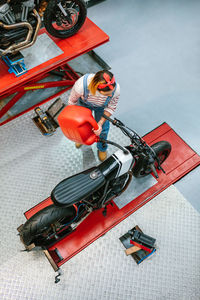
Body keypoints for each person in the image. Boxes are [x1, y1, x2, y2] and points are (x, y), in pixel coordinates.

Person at [68, 70, 120, 161]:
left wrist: (99, 123)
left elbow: (111, 107)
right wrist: (77, 118)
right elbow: (72, 102)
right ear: (97, 89)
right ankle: (81, 139)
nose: (111, 94)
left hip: (102, 108)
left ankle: (102, 147)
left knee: (103, 129)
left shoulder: (116, 90)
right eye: (107, 94)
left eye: (111, 92)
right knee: (82, 125)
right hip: (84, 103)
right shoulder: (81, 85)